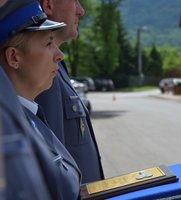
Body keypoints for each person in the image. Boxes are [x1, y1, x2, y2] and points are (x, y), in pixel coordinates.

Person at [0, 0, 81, 199]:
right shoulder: (10, 126)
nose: (59, 55)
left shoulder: (30, 116)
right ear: (14, 57)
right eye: (47, 43)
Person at [36, 0, 105, 183]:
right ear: (49, 5)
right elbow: (53, 167)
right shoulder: (42, 73)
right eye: (74, 1)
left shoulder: (58, 66)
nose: (81, 11)